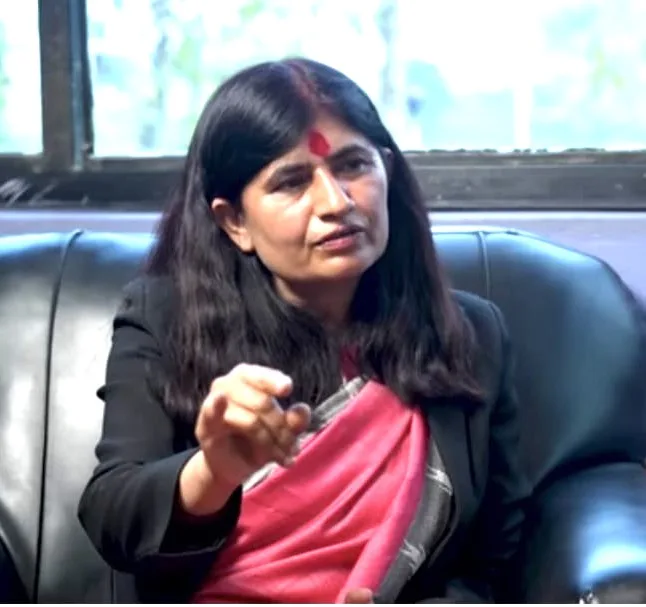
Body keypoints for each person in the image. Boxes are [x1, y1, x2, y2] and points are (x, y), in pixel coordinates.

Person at [78, 57, 530, 604]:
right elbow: (111, 514)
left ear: (387, 171)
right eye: (292, 182)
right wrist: (212, 472)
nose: (336, 202)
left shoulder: (469, 335)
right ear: (234, 222)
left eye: (353, 165)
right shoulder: (166, 318)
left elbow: (496, 559)